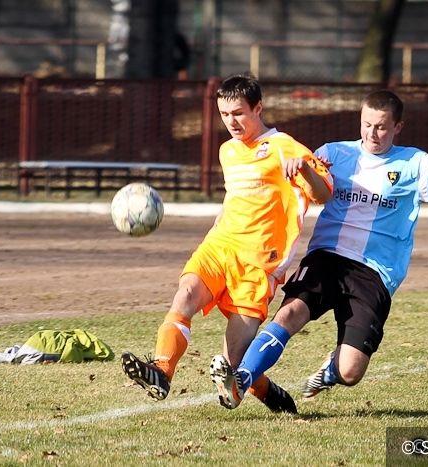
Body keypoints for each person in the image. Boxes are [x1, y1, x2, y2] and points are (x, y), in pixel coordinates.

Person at [209, 89, 428, 409]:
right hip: (327, 257)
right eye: (366, 124)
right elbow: (295, 187)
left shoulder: (415, 164)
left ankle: (331, 369)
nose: (372, 133)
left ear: (398, 127)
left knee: (351, 372)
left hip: (374, 273)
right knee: (290, 313)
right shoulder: (334, 153)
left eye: (381, 127)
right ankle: (242, 381)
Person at [121, 72, 333, 414]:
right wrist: (213, 231)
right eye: (224, 114)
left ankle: (267, 392)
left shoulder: (285, 147)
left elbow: (324, 193)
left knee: (233, 364)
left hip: (259, 261)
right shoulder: (227, 151)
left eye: (238, 113)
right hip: (219, 247)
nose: (231, 121)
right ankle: (161, 371)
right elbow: (234, 197)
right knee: (185, 295)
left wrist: (305, 171)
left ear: (258, 108)